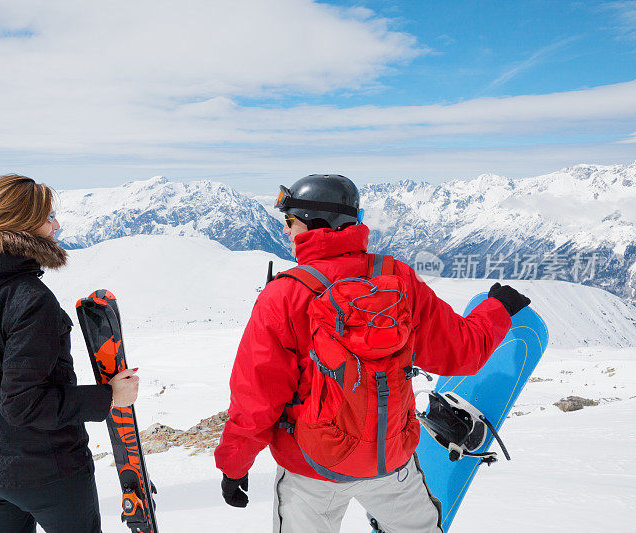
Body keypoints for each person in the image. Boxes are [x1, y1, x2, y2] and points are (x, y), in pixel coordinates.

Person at [214, 174, 530, 533]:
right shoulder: (399, 279)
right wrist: (497, 309)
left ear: (317, 223)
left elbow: (257, 396)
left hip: (312, 469)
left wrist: (234, 466)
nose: (285, 231)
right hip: (390, 460)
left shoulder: (285, 296)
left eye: (290, 222)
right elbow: (462, 352)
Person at [0, 174, 139, 533]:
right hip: (49, 474)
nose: (57, 225)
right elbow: (23, 405)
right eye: (48, 217)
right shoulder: (30, 300)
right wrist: (109, 397)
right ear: (22, 224)